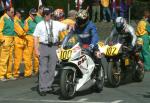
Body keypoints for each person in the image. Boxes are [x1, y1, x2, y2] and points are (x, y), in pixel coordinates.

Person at [33, 7, 69, 96]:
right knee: (43, 68)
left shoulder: (56, 23)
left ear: (51, 14)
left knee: (52, 68)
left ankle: (48, 86)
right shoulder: (39, 25)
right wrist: (36, 49)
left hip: (54, 46)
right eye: (45, 14)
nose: (47, 16)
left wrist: (72, 26)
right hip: (43, 46)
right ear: (43, 15)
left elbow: (66, 27)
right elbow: (35, 37)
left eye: (48, 14)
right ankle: (42, 88)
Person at [13, 9, 31, 78]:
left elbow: (27, 28)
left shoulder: (22, 20)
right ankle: (16, 73)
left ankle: (28, 73)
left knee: (27, 57)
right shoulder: (15, 20)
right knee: (18, 59)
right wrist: (25, 32)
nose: (21, 15)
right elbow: (20, 32)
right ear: (17, 13)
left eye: (22, 13)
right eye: (20, 13)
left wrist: (25, 31)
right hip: (18, 41)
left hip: (24, 41)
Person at [0, 7, 15, 81]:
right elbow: (0, 30)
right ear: (7, 12)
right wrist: (2, 40)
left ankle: (9, 74)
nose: (13, 13)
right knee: (4, 59)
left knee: (10, 58)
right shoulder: (3, 18)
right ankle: (2, 75)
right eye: (12, 12)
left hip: (11, 39)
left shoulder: (11, 18)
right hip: (6, 39)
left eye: (13, 12)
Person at [24, 8, 39, 77]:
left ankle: (36, 70)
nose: (34, 16)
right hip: (29, 37)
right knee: (28, 56)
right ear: (30, 14)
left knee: (36, 55)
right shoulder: (27, 21)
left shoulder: (35, 20)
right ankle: (28, 72)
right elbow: (25, 30)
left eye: (35, 14)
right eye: (33, 14)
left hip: (36, 38)